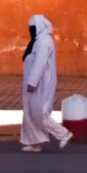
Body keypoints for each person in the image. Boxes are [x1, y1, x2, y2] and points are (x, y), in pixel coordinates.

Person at [20, 14, 73, 153]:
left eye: (33, 27)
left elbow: (40, 63)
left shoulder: (44, 41)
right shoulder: (37, 41)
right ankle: (34, 142)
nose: (30, 30)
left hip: (41, 82)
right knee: (29, 111)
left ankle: (63, 134)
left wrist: (33, 81)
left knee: (39, 111)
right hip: (32, 82)